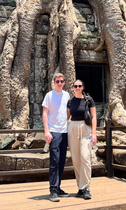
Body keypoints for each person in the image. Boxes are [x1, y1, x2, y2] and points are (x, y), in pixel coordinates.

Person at [42, 72, 70, 202]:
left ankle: (58, 187)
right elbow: (45, 113)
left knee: (62, 160)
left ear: (64, 82)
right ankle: (52, 189)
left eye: (62, 81)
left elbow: (67, 112)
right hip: (54, 131)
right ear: (54, 82)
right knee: (54, 161)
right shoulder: (49, 95)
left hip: (64, 131)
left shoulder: (67, 95)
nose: (59, 83)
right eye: (57, 81)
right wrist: (47, 131)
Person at [67, 79, 97, 200]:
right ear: (73, 88)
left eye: (79, 86)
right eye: (75, 86)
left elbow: (94, 116)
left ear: (83, 87)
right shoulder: (70, 101)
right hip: (73, 127)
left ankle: (86, 187)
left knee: (85, 157)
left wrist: (94, 134)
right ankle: (80, 188)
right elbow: (67, 116)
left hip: (86, 129)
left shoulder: (89, 100)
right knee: (76, 159)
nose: (77, 88)